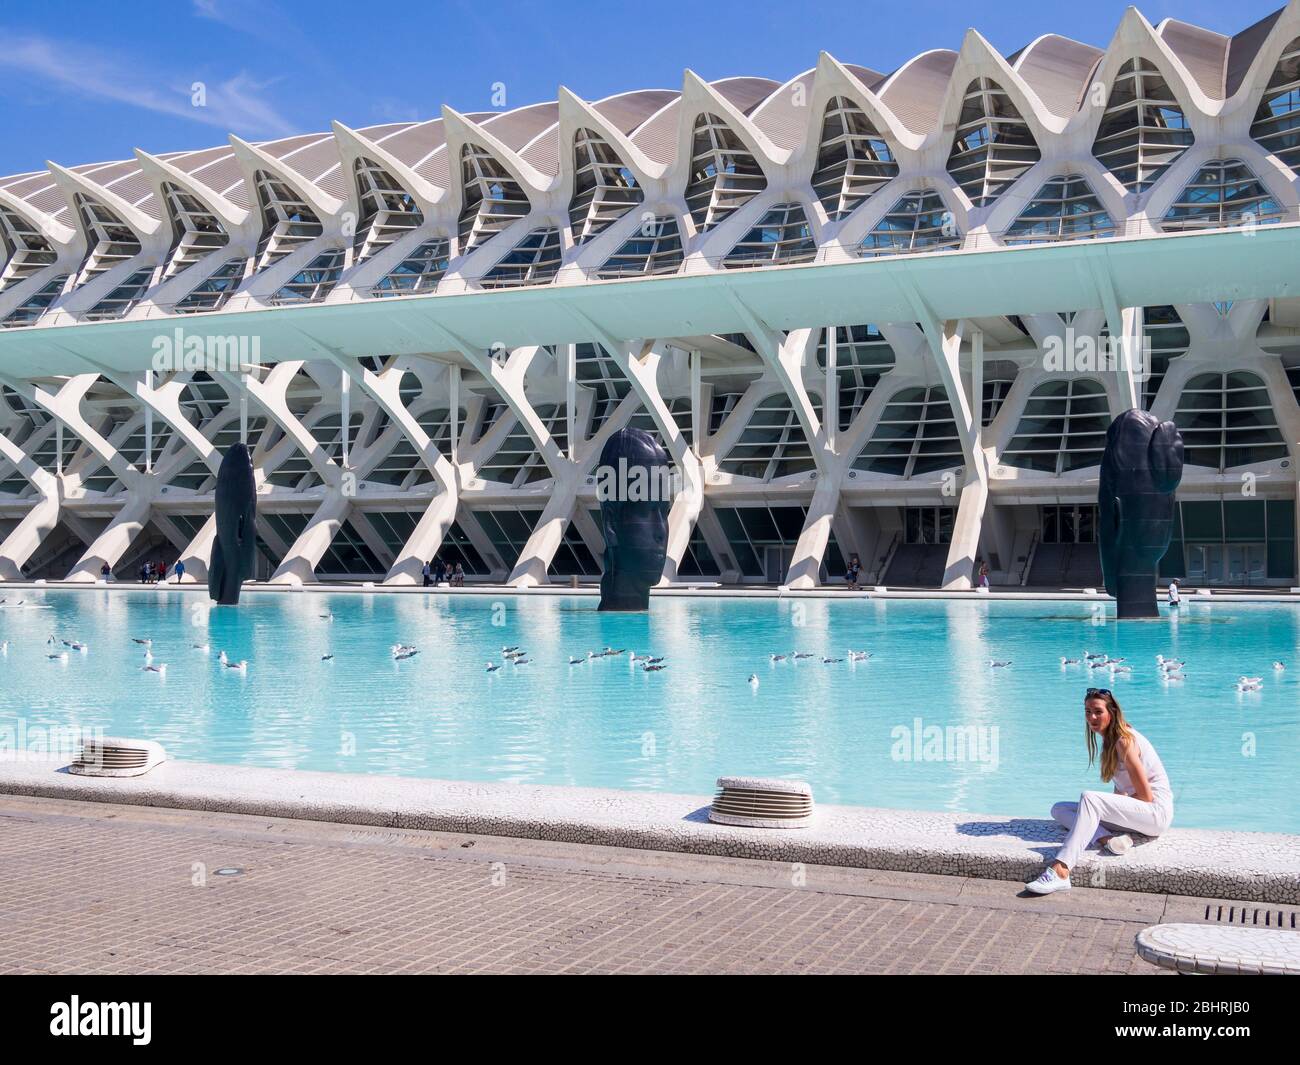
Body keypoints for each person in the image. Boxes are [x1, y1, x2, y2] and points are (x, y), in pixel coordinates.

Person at [1026, 689, 1174, 894]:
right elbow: (1121, 791)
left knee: (1090, 798)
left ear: (1111, 713)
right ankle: (1109, 840)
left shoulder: (1124, 740)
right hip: (1140, 812)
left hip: (1155, 813)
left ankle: (1061, 870)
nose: (1091, 718)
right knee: (1059, 810)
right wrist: (1112, 810)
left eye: (1097, 712)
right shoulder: (1109, 741)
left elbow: (1146, 797)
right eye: (1087, 712)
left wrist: (1109, 808)